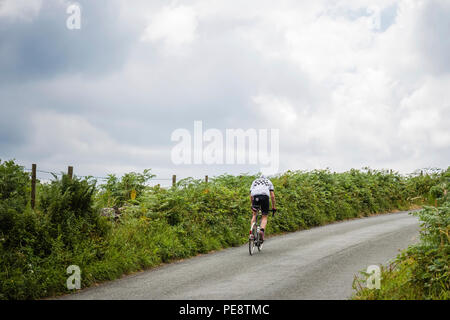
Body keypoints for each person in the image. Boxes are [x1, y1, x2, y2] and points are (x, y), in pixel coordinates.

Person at [249, 174, 276, 242]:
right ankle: (262, 230)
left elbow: (251, 195)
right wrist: (273, 207)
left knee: (254, 214)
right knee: (264, 216)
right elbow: (272, 196)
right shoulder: (268, 181)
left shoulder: (255, 181)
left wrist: (252, 204)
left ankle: (252, 233)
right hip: (264, 197)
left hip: (255, 197)